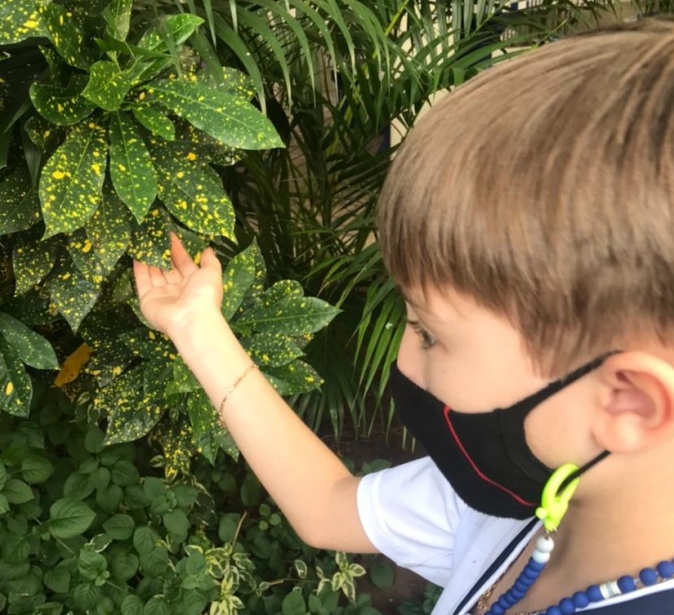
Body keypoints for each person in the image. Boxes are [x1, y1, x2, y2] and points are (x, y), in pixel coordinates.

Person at [133, 18, 674, 615]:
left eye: (428, 334)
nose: (402, 357)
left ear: (629, 403)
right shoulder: (538, 496)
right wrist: (196, 326)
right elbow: (329, 504)